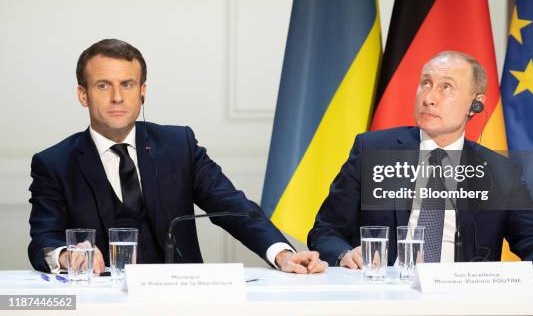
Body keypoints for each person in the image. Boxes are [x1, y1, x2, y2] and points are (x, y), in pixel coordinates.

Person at [28, 39, 328, 275]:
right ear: (83, 95)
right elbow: (43, 240)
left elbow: (234, 207)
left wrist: (282, 254)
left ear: (142, 91)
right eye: (103, 85)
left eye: (127, 84)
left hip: (182, 301)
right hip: (100, 305)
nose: (117, 97)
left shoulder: (177, 145)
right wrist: (67, 257)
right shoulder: (54, 164)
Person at [308, 51, 533, 276]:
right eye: (426, 83)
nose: (429, 97)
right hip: (385, 296)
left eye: (446, 87)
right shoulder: (373, 150)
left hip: (465, 297)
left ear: (475, 103)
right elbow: (325, 231)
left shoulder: (499, 172)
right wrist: (344, 253)